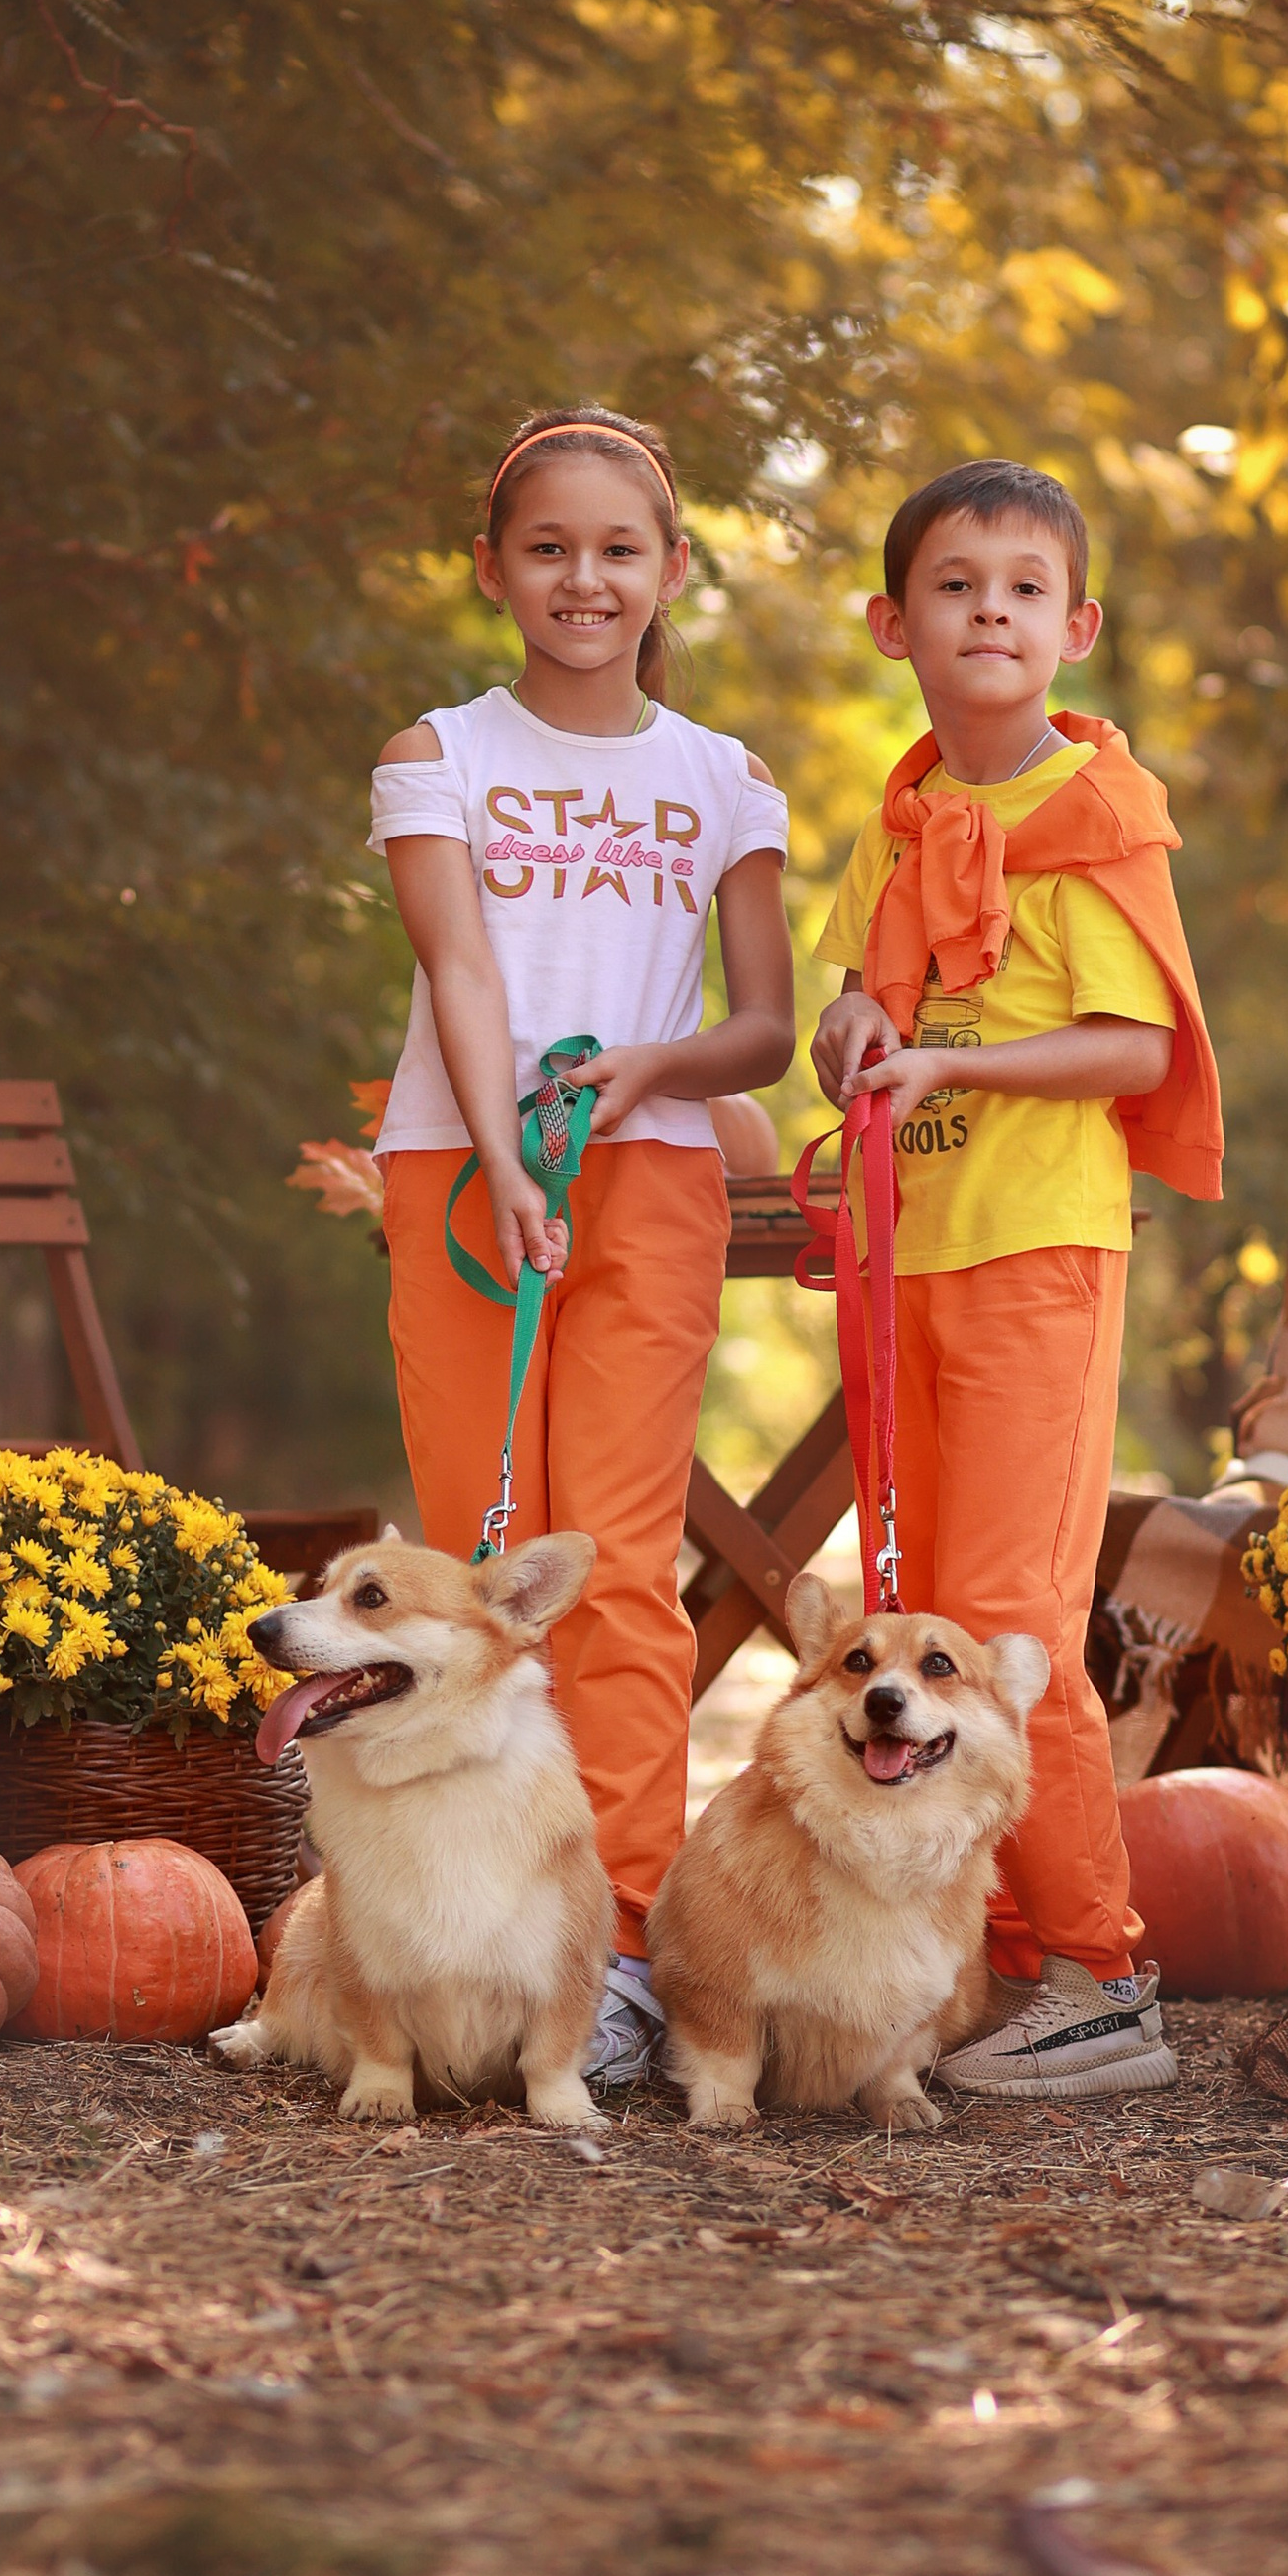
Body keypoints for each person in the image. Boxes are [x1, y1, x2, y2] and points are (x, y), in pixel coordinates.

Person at [369, 408, 795, 2091]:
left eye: (620, 549)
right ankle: (444, 1932)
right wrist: (504, 1156)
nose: (584, 578)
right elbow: (464, 974)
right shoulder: (438, 751)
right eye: (548, 547)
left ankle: (603, 1952)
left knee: (613, 1574)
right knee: (474, 1574)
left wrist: (646, 1074)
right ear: (494, 570)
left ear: (670, 570)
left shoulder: (724, 778)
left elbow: (759, 1026)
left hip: (657, 1181)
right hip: (464, 1173)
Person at [809, 458, 1224, 2100]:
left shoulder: (1095, 824)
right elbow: (862, 1001)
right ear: (893, 622)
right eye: (956, 584)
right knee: (910, 1610)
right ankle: (975, 1950)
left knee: (1007, 1625)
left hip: (1037, 1248)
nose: (990, 610)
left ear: (1075, 625)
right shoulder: (906, 816)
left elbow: (1132, 1043)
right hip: (908, 1246)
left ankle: (1100, 1971)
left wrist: (953, 1076)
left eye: (1023, 588)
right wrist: (858, 1030)